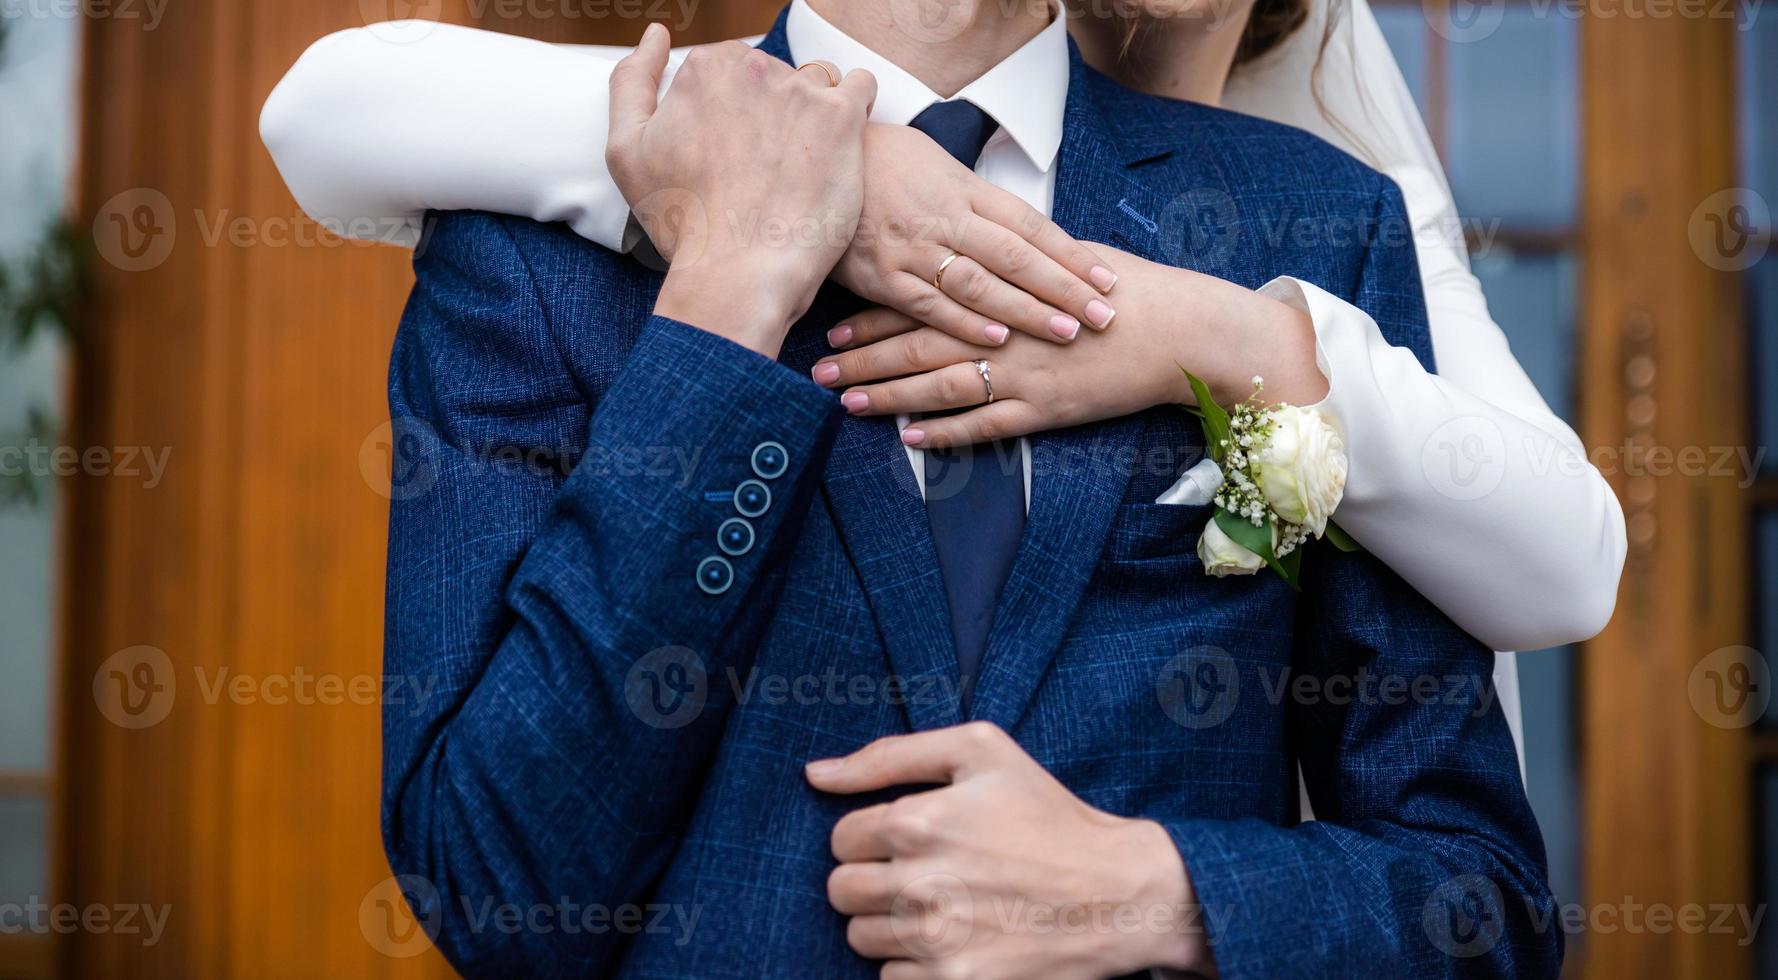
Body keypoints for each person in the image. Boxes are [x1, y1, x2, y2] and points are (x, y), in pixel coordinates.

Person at [328, 0, 1565, 974]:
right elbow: (491, 892)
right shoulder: (523, 256)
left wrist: (1158, 892)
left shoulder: (1304, 231)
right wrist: (729, 301)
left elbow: (1481, 900)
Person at [260, 0, 1627, 665]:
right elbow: (328, 106)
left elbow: (1559, 569)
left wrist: (1233, 347)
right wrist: (840, 176)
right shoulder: (928, 101)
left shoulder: (1328, 210)